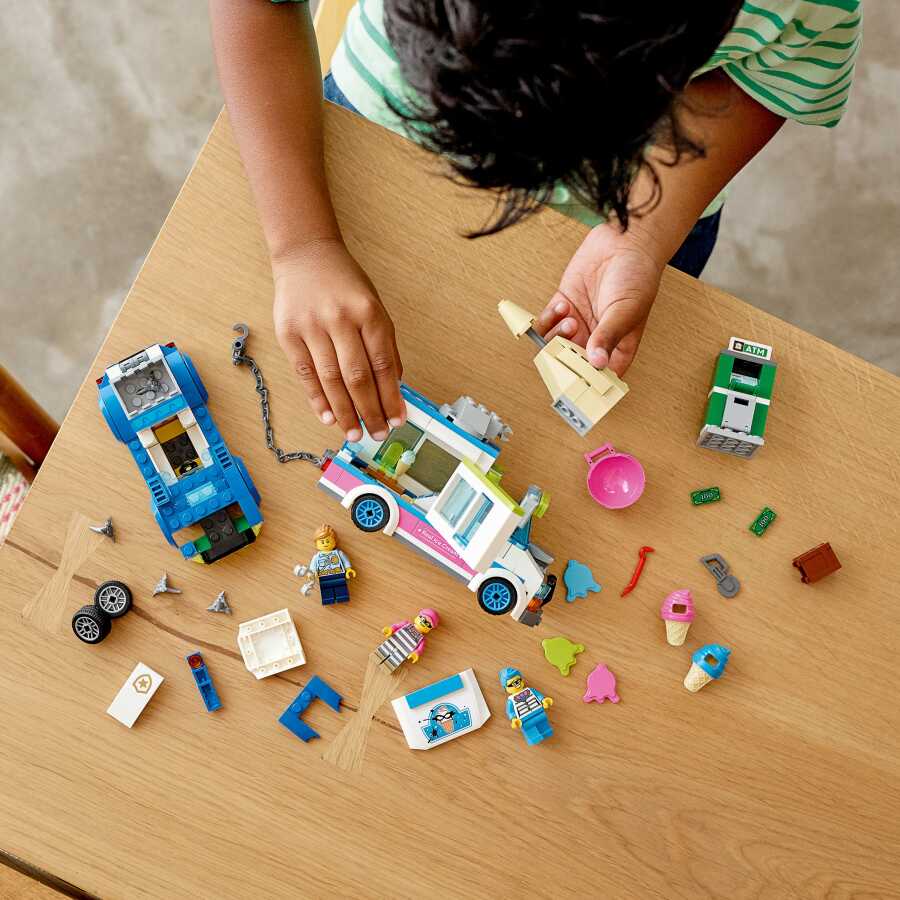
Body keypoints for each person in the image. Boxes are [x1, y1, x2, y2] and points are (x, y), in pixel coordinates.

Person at [209, 0, 861, 442]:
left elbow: (767, 79)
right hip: (368, 144)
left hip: (653, 201)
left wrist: (641, 233)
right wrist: (301, 244)